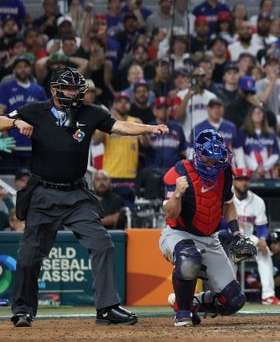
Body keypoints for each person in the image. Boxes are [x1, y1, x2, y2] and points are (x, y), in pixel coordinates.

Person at [2, 67, 168, 327]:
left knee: (103, 243)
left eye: (77, 89)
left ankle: (107, 308)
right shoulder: (34, 111)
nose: (74, 93)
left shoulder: (91, 112)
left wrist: (150, 128)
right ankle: (23, 310)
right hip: (43, 194)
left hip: (77, 194)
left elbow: (120, 126)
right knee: (28, 256)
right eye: (68, 88)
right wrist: (15, 122)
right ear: (54, 90)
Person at [160, 129, 248, 326]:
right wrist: (178, 193)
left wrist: (236, 233)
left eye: (217, 158)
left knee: (234, 300)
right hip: (178, 234)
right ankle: (183, 312)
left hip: (210, 238)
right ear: (198, 154)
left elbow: (228, 204)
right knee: (189, 258)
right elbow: (170, 214)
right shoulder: (178, 172)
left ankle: (192, 302)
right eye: (208, 157)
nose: (212, 163)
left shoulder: (225, 173)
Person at [232, 168, 280, 305]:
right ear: (234, 181)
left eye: (246, 179)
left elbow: (261, 226)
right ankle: (230, 295)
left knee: (264, 251)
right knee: (229, 256)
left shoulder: (258, 201)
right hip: (227, 237)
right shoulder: (226, 197)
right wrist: (231, 222)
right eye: (240, 179)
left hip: (247, 238)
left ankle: (268, 295)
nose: (243, 183)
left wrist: (263, 239)